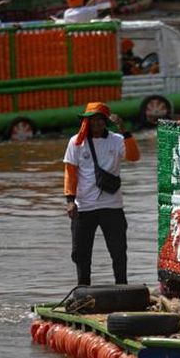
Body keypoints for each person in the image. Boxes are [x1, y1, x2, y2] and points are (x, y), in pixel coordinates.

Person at [63, 101, 140, 286]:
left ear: (105, 122)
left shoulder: (116, 140)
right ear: (86, 122)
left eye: (100, 120)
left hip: (112, 206)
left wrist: (124, 130)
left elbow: (134, 156)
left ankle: (122, 289)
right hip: (84, 207)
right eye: (92, 120)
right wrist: (70, 201)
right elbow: (70, 173)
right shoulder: (76, 142)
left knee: (118, 251)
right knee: (80, 254)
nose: (96, 124)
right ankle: (83, 291)